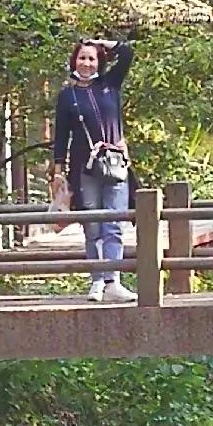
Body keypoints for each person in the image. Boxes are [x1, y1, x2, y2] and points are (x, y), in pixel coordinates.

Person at [52, 35, 135, 302]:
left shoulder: (110, 85)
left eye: (91, 58)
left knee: (114, 222)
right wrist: (57, 169)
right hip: (84, 167)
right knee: (92, 225)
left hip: (114, 163)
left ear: (99, 61)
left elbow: (127, 52)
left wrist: (100, 42)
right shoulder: (68, 96)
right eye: (82, 57)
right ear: (74, 61)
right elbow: (61, 135)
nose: (86, 63)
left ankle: (114, 281)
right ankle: (97, 280)